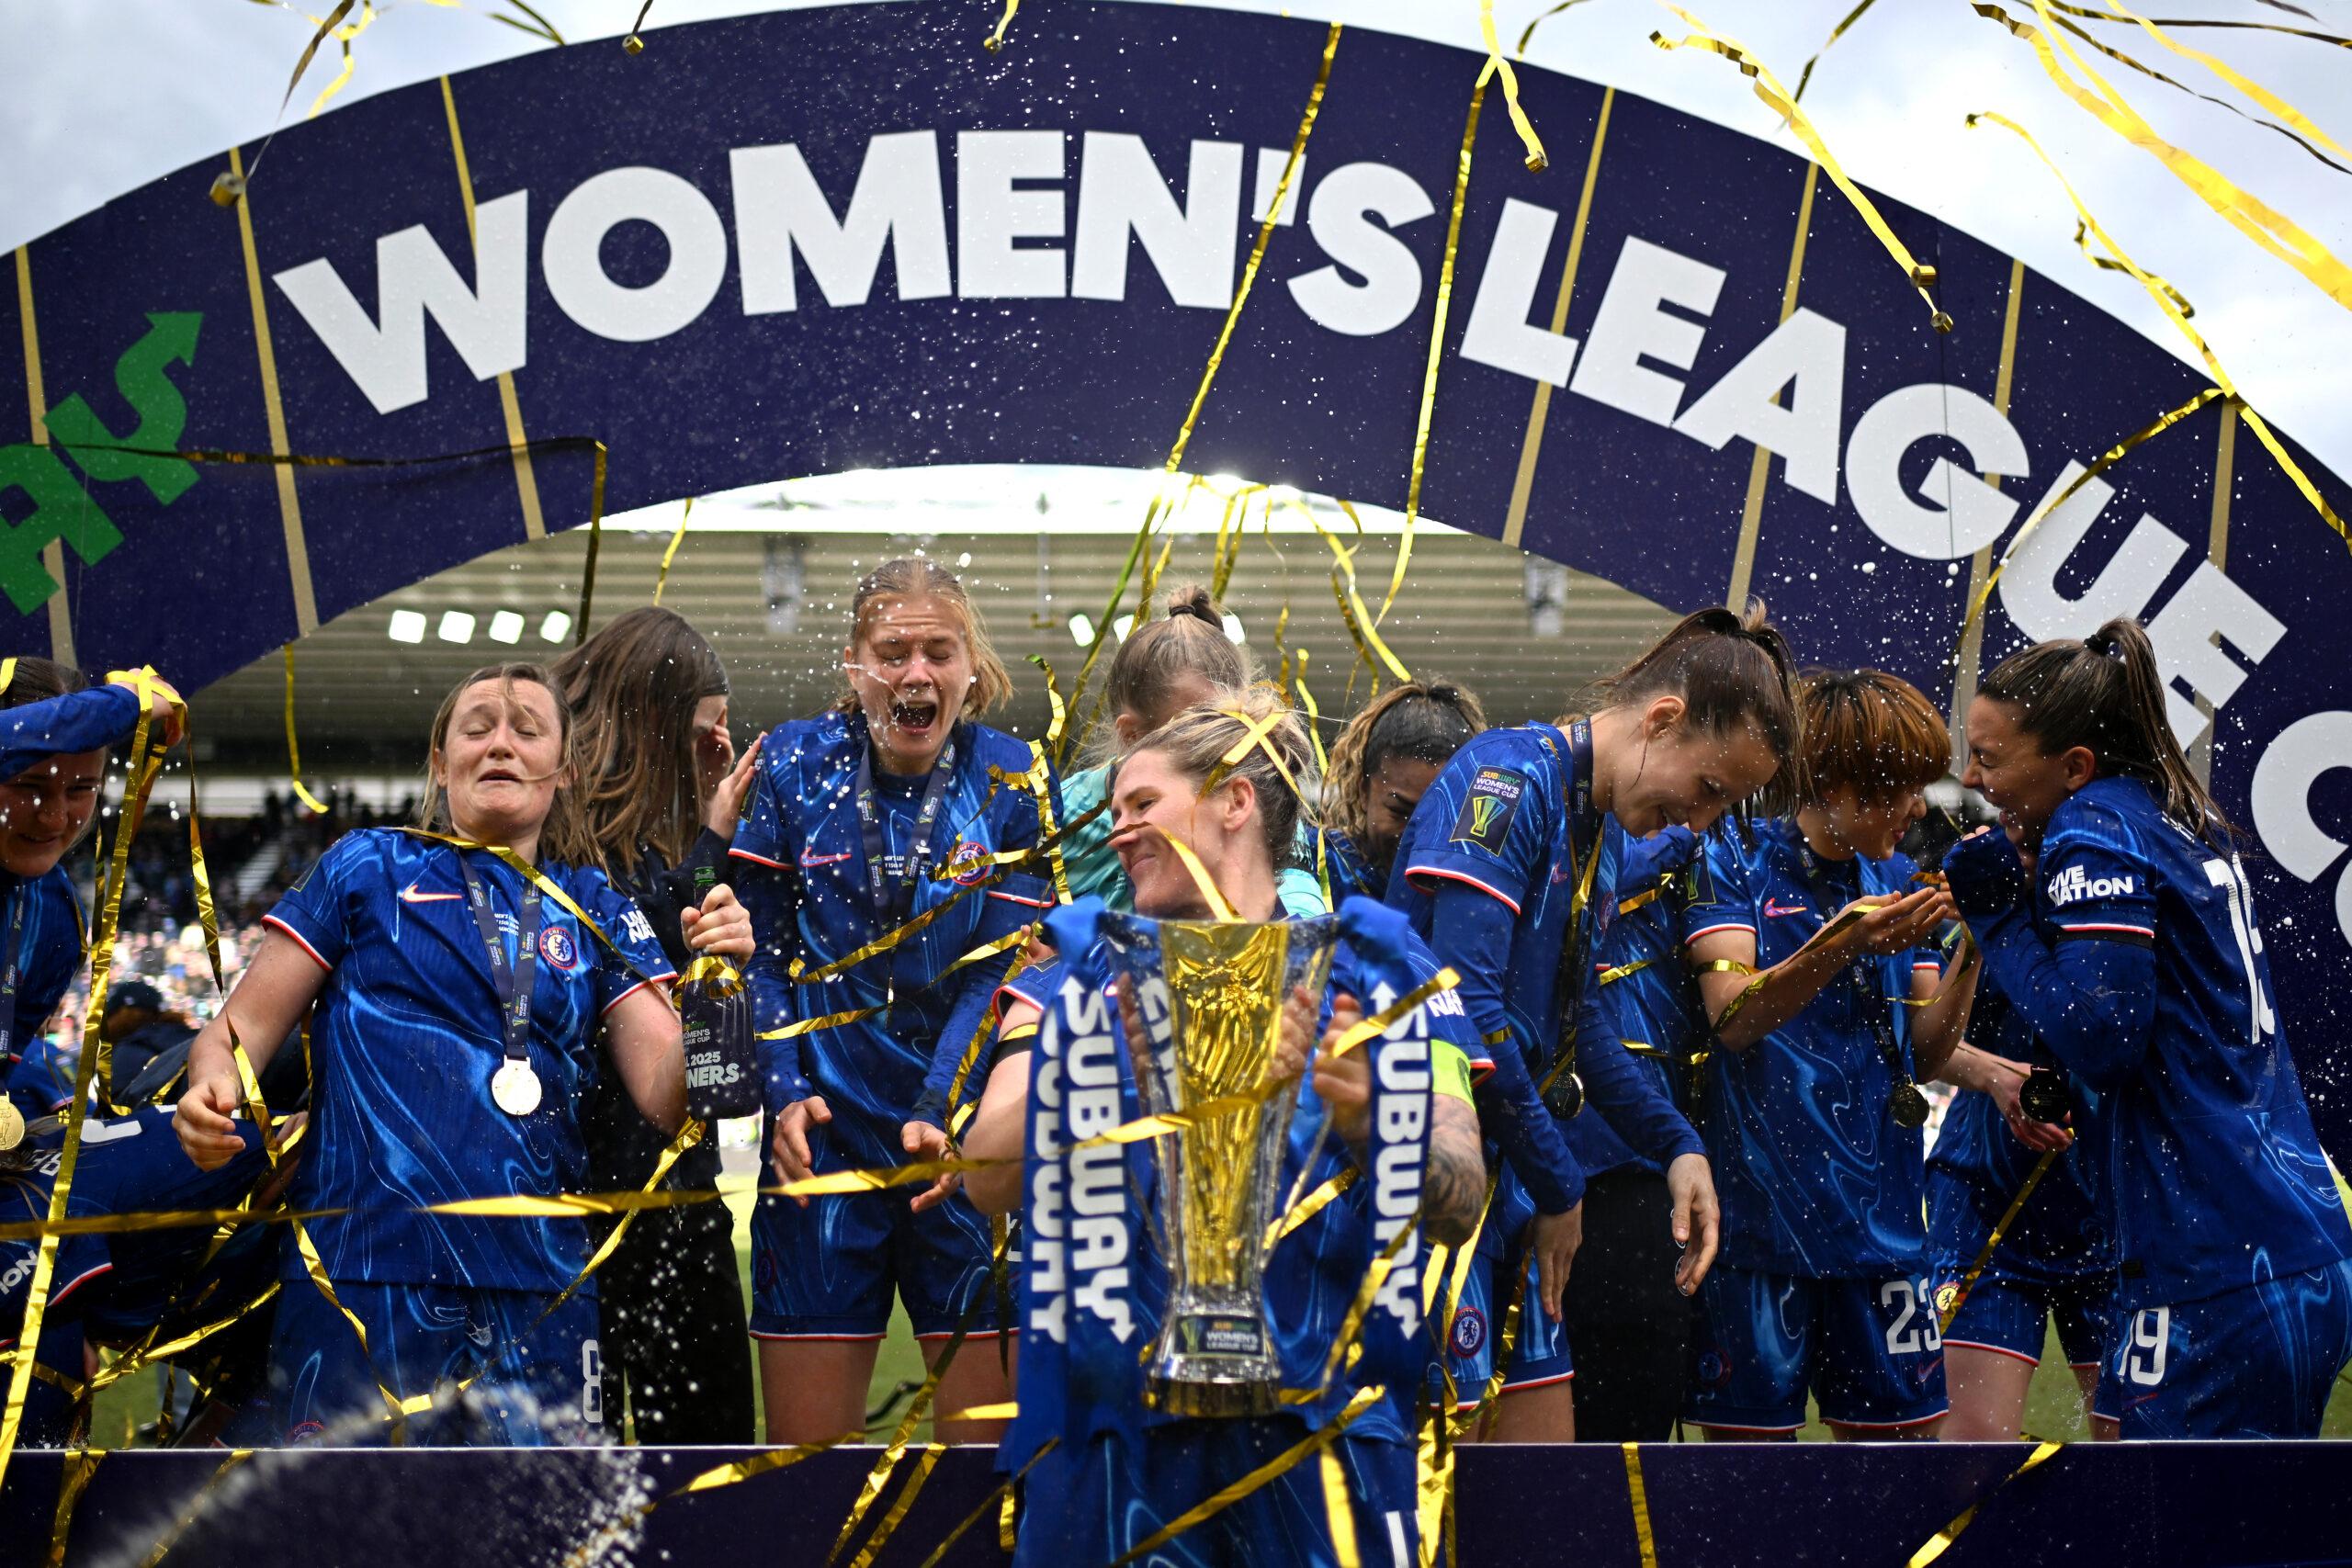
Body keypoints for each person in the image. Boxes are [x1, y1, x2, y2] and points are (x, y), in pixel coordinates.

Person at [958, 690, 1488, 1565]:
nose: (1117, 832)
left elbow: (1460, 1197)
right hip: (1120, 1458)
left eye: (1141, 803)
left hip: (1324, 1450)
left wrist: (1373, 1125)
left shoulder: (1381, 972)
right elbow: (983, 1176)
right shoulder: (1086, 976)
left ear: (1235, 801)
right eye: (1112, 812)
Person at [172, 662, 736, 1446]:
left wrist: (715, 984)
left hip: (540, 1287)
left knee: (534, 1521)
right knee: (351, 1517)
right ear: (441, 762)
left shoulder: (596, 908)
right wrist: (210, 1088)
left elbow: (672, 1096)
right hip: (360, 1274)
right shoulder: (364, 865)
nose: (501, 744)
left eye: (527, 730)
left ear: (565, 771)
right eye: (478, 728)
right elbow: (235, 1033)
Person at [1944, 617, 2352, 1438]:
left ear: (2074, 766)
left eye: (1988, 757)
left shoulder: (2093, 827)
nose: (1971, 778)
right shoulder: (2180, 816)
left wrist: (1998, 917)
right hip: (2286, 1245)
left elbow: (2102, 1038)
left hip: (2214, 1266)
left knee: (2167, 1515)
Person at [1387, 604, 1788, 1440]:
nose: (1699, 822)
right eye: (1709, 790)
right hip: (1429, 1190)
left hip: (1510, 1188)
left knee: (1546, 1492)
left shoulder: (1592, 822)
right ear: (1663, 720)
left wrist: (1676, 1141)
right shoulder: (1505, 778)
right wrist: (1563, 1181)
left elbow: (1580, 1021)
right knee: (1444, 1490)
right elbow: (1465, 1008)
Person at [731, 558, 1058, 1446]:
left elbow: (998, 972)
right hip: (820, 1148)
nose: (916, 672)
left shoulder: (1013, 776)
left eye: (938, 651)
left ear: (970, 666)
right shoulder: (796, 762)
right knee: (807, 1471)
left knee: (983, 1478)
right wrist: (781, 1089)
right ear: (854, 663)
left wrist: (942, 1104)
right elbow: (757, 954)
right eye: (892, 651)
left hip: (960, 1148)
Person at [1680, 667, 1976, 1440]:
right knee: (1749, 1484)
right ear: (1838, 783)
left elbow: (1925, 1052)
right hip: (1759, 1233)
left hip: (1885, 1236)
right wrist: (1841, 941)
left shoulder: (1898, 876)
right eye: (1901, 788)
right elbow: (1732, 1018)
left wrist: (1976, 944)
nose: (1917, 808)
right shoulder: (1735, 859)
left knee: (1901, 1479)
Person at [552, 605, 763, 1446]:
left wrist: (709, 830)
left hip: (676, 1190)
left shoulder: (642, 846)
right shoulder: (554, 829)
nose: (716, 747)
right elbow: (633, 937)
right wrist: (709, 839)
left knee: (711, 1471)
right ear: (653, 721)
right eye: (704, 731)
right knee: (583, 1483)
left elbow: (686, 927)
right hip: (579, 1212)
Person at [0, 659, 183, 1441]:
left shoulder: (54, 915)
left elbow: (10, 1056)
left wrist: (41, 1099)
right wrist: (122, 704)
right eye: (29, 783)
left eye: (82, 787)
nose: (55, 815)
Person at [1059, 585, 1325, 917]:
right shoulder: (1063, 811)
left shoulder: (1258, 797)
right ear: (1131, 734)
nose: (1220, 740)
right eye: (1189, 730)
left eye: (1231, 724)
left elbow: (1301, 906)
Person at [1928, 980, 2119, 1440]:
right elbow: (1917, 1037)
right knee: (1969, 1463)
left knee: (2143, 1459)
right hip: (1984, 1202)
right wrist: (1991, 1073)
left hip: (2119, 1212)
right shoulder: (1971, 931)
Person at [1315, 678, 1485, 903]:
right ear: (1363, 790)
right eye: (1399, 811)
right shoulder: (1316, 864)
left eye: (1439, 816)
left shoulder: (1484, 883)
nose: (1416, 836)